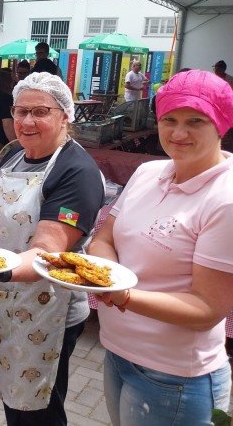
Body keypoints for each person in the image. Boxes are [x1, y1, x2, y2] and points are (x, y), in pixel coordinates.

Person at [89, 70, 233, 425]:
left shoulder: (225, 199)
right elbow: (104, 237)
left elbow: (207, 309)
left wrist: (120, 294)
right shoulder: (148, 173)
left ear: (221, 124)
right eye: (169, 119)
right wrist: (103, 276)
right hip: (119, 354)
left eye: (195, 121)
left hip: (177, 377)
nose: (179, 133)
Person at [0, 71, 104, 425]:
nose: (27, 121)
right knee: (15, 401)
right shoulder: (14, 155)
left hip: (47, 313)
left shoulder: (77, 171)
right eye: (20, 111)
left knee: (38, 409)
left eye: (40, 111)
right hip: (2, 303)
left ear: (65, 116)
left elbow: (47, 251)